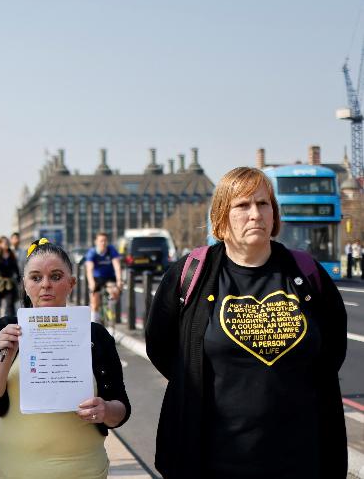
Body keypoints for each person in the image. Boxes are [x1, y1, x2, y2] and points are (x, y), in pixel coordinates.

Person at [145, 167, 348, 479]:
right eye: (243, 205)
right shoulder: (189, 275)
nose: (256, 214)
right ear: (222, 217)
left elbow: (332, 348)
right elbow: (161, 347)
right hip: (214, 457)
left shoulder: (307, 273)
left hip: (299, 456)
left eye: (263, 204)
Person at [0, 238, 130, 478]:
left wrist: (105, 410)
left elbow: (121, 409)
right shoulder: (6, 329)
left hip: (83, 471)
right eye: (36, 278)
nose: (45, 285)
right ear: (25, 284)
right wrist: (7, 353)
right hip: (15, 470)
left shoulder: (95, 335)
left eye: (56, 277)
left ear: (71, 283)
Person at [84, 232, 123, 323]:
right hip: (97, 277)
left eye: (105, 241)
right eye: (101, 241)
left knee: (114, 290)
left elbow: (117, 266)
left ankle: (110, 306)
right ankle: (94, 322)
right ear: (96, 242)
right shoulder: (92, 252)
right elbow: (89, 270)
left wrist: (119, 280)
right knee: (95, 301)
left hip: (109, 277)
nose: (103, 243)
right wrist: (91, 283)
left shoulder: (111, 250)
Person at [0, 236, 20, 320]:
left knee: (10, 303)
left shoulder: (11, 254)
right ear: (0, 244)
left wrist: (19, 279)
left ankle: (10, 321)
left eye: (7, 242)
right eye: (4, 243)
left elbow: (15, 267)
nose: (6, 244)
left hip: (9, 282)